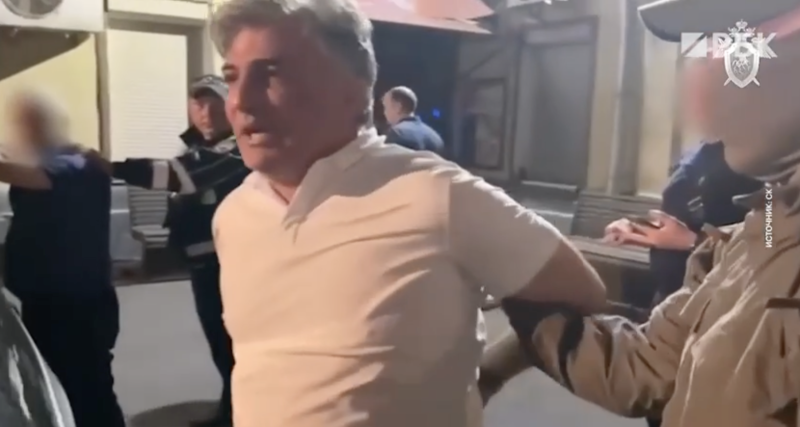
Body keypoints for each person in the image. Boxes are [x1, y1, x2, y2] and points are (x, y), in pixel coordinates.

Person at [208, 1, 607, 426]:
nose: (240, 100)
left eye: (272, 73)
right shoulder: (234, 215)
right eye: (232, 77)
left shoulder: (436, 194)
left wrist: (490, 373)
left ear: (353, 89)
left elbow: (581, 294)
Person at [479, 1, 800, 426]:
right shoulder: (764, 227)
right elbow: (651, 362)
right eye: (708, 47)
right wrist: (522, 285)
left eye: (738, 41)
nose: (707, 72)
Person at [106, 75, 247, 427]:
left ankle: (242, 415)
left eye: (215, 103)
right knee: (219, 344)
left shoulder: (237, 150)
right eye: (198, 104)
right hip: (204, 266)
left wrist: (108, 166)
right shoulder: (196, 153)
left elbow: (178, 176)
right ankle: (231, 412)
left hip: (232, 267)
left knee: (236, 347)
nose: (206, 113)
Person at [1, 91, 125, 427]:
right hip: (47, 303)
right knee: (58, 394)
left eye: (24, 126)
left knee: (89, 395)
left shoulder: (79, 163)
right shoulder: (49, 162)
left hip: (77, 308)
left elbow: (43, 178)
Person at [605, 140, 762, 308]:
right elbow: (679, 215)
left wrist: (693, 241)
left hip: (716, 304)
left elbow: (768, 245)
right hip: (670, 299)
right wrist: (637, 228)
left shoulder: (763, 165)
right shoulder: (696, 157)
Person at [382, 86, 444, 154]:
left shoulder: (397, 133)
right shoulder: (435, 136)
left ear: (398, 107)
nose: (384, 112)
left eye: (385, 107)